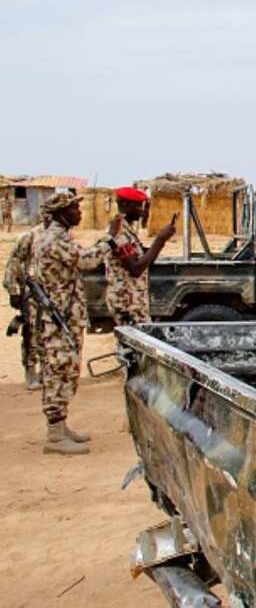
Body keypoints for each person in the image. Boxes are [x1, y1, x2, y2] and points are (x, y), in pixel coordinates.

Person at [33, 191, 123, 455]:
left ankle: (60, 427)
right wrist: (110, 238)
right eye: (74, 209)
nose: (79, 213)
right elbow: (87, 260)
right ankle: (54, 435)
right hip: (58, 320)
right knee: (58, 372)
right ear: (62, 213)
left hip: (66, 317)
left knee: (67, 371)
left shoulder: (59, 237)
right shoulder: (52, 240)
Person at [104, 187, 176, 326]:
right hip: (126, 303)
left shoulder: (127, 229)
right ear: (124, 204)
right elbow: (135, 268)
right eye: (137, 205)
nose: (142, 210)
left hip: (133, 300)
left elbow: (143, 262)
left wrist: (161, 241)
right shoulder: (117, 231)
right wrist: (160, 239)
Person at [3, 214, 51, 390]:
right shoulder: (30, 236)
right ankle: (31, 372)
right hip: (32, 293)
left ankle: (45, 372)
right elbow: (13, 263)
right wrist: (13, 291)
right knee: (31, 332)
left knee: (49, 333)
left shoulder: (59, 236)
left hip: (52, 295)